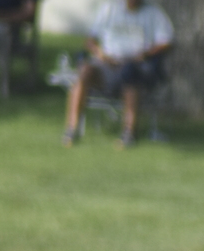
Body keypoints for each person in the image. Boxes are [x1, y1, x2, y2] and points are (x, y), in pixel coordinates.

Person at [61, 0, 173, 149]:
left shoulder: (153, 13)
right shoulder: (109, 9)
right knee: (85, 71)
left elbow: (166, 42)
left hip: (135, 65)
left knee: (130, 74)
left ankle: (129, 132)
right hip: (107, 63)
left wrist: (145, 54)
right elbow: (90, 40)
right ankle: (72, 129)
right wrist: (99, 54)